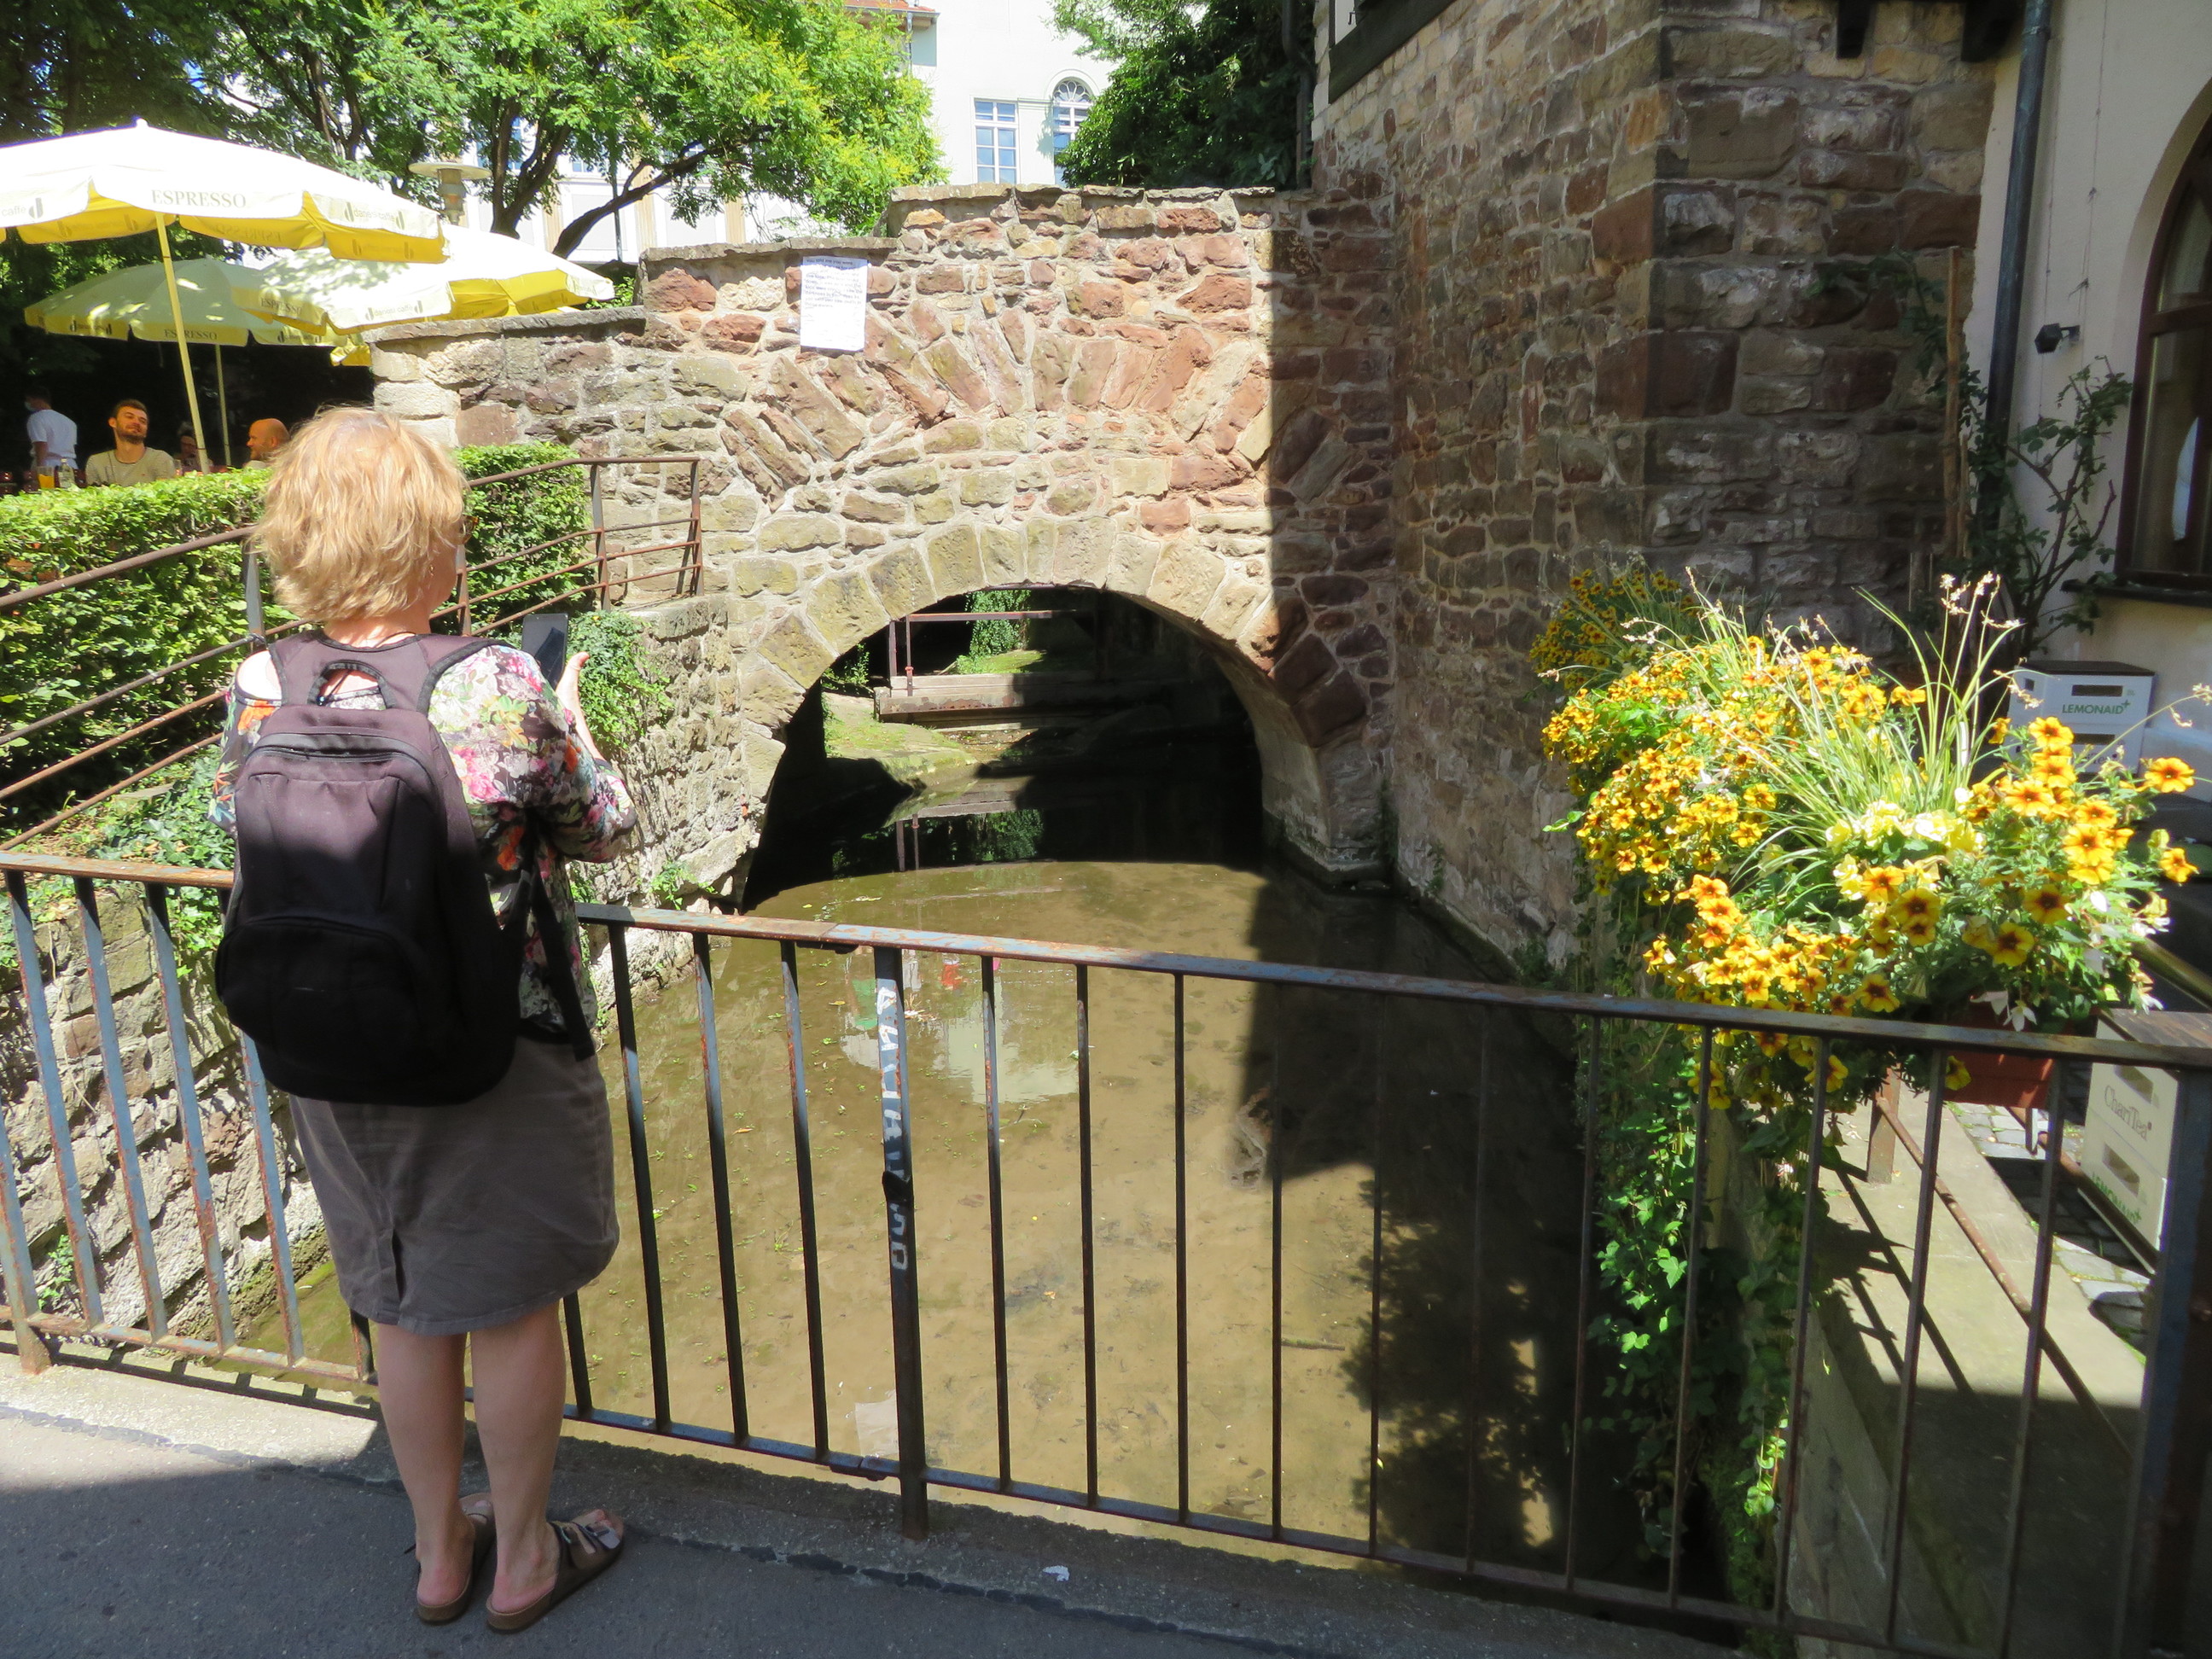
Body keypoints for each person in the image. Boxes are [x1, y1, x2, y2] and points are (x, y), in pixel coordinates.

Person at [209, 408, 636, 1630]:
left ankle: (441, 1554)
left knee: (399, 1300)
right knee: (509, 1303)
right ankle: (526, 1562)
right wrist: (571, 719)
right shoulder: (492, 681)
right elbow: (601, 824)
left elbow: (230, 824)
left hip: (331, 1041)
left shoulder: (262, 683)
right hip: (496, 1037)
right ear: (432, 541)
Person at [84, 398, 178, 486]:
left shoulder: (161, 459)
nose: (136, 422)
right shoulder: (97, 463)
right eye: (129, 417)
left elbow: (165, 494)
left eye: (143, 421)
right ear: (113, 422)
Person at [23, 387, 76, 484]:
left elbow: (41, 444)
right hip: (70, 465)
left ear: (38, 400)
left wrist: (40, 470)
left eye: (29, 400)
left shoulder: (37, 418)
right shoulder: (68, 421)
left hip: (49, 466)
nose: (28, 403)